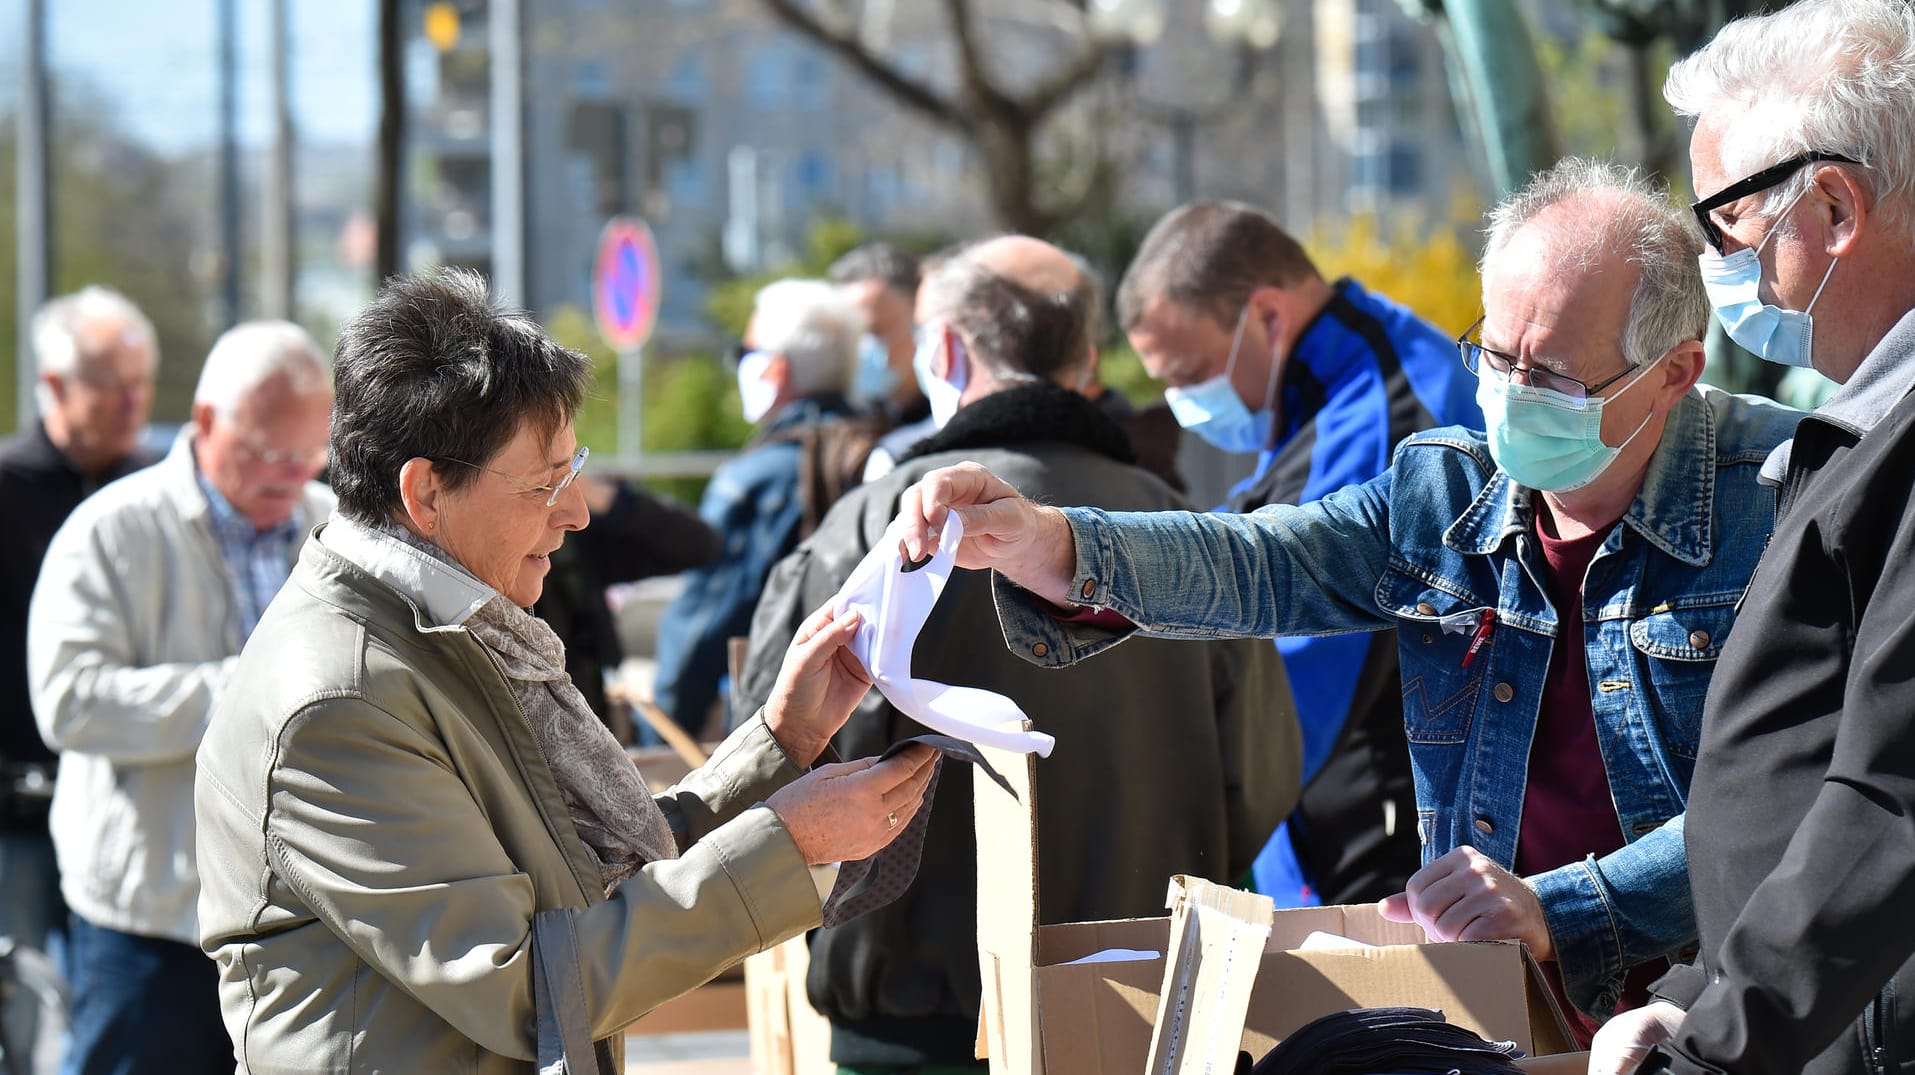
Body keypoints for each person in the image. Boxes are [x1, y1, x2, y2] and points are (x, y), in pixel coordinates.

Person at [894, 160, 1801, 1041]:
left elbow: (1792, 802)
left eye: (1556, 374)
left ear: (1676, 372)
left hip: (1723, 1016)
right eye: (1494, 352)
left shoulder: (1787, 496)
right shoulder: (1445, 487)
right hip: (1508, 1008)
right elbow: (1262, 561)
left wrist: (1558, 908)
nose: (1514, 395)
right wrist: (1053, 542)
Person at [193, 269, 936, 1074]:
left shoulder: (439, 624)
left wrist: (779, 743)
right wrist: (789, 844)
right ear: (425, 492)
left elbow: (594, 870)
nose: (574, 511)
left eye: (572, 470)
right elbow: (526, 986)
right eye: (545, 481)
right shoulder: (343, 698)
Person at [738, 236, 1299, 1074]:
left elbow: (768, 754)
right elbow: (1260, 781)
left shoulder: (867, 527)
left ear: (947, 349)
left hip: (908, 1027)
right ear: (1084, 359)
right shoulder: (1184, 537)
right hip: (1144, 1015)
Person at [1587, 1, 1915, 1071]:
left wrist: (1716, 1043)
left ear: (1833, 205)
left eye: (1723, 219)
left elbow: (1888, 802)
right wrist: (1699, 994)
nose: (1717, 264)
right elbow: (1798, 772)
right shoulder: (1867, 423)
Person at [1116, 199, 1484, 910]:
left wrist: (1145, 835)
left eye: (1191, 371)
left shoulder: (1380, 417)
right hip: (1342, 828)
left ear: (1267, 316)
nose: (1183, 400)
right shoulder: (1342, 373)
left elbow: (1289, 700)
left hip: (1382, 852)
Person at [29, 320, 336, 1074]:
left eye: (308, 454)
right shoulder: (109, 530)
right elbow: (69, 702)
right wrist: (246, 690)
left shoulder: (334, 525)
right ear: (205, 422)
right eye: (267, 452)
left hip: (300, 919)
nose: (288, 474)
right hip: (151, 921)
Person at [0, 287, 158, 968]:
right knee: (26, 1008)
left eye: (141, 383)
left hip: (133, 811)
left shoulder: (157, 491)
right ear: (53, 385)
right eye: (110, 384)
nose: (132, 402)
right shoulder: (7, 486)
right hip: (20, 817)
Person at [650, 279, 863, 737]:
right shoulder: (883, 450)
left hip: (781, 726)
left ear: (775, 370)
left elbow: (700, 626)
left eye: (744, 354)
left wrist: (663, 736)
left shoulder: (756, 477)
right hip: (872, 715)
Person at [533, 474, 719, 730]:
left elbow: (699, 545)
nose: (577, 517)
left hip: (588, 718)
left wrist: (592, 492)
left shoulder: (577, 537)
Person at [830, 242, 926, 425]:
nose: (861, 348)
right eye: (849, 336)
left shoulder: (948, 416)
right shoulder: (842, 425)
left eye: (874, 331)